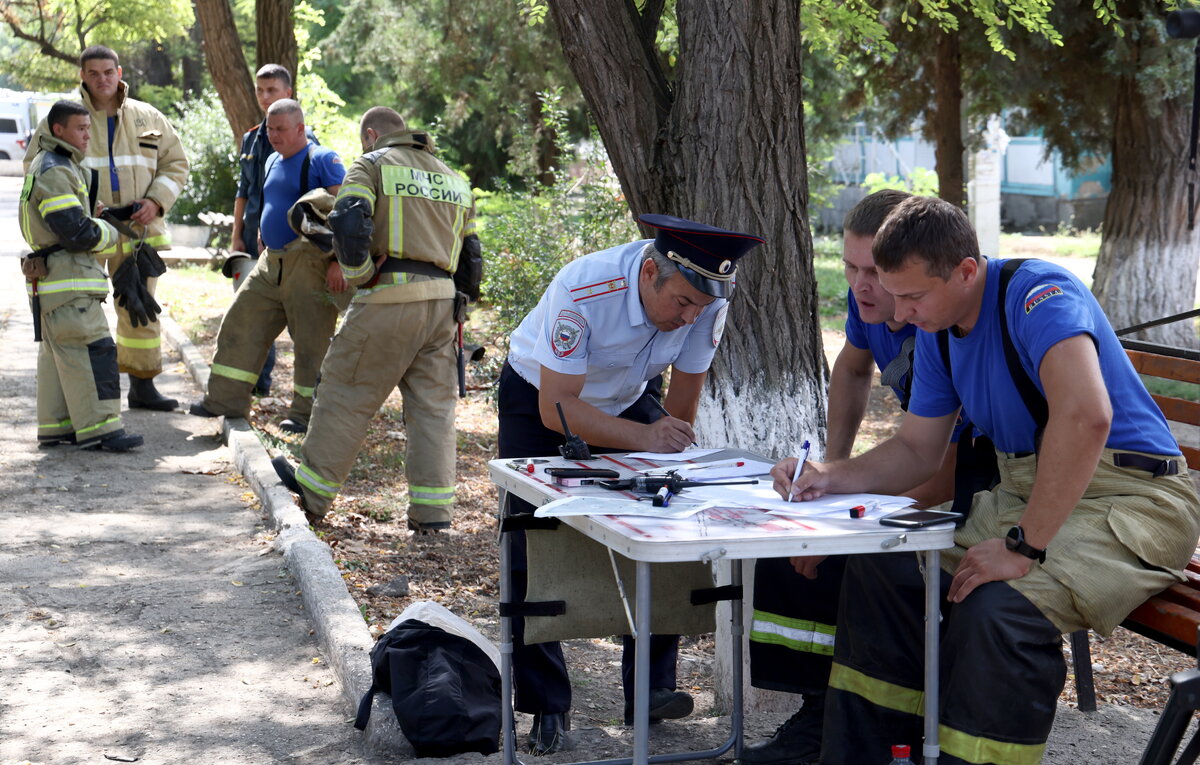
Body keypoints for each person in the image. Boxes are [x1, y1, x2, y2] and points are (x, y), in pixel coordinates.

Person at [775, 196, 1200, 764]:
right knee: (886, 568)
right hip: (1031, 493)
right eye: (894, 294)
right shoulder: (939, 327)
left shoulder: (1037, 292)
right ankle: (865, 754)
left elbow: (1085, 417)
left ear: (967, 271)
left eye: (913, 296)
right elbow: (916, 451)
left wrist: (1025, 544)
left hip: (1135, 501)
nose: (899, 314)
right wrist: (829, 477)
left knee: (999, 611)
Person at [497, 214, 764, 755]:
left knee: (664, 523)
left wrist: (666, 455)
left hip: (625, 401)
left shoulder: (707, 299)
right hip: (540, 401)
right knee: (532, 542)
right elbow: (558, 407)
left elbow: (682, 407)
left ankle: (651, 689)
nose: (692, 315)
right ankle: (547, 704)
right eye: (683, 303)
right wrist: (646, 434)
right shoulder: (584, 288)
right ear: (649, 273)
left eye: (700, 306)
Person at [743, 189, 964, 765]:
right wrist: (826, 474)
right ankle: (819, 708)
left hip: (975, 479)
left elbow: (946, 471)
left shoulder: (937, 316)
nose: (862, 285)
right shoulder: (873, 304)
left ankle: (875, 724)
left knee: (859, 554)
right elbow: (852, 365)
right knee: (786, 535)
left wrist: (843, 519)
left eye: (875, 272)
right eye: (851, 266)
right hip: (925, 465)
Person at [270, 106, 479, 531]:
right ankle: (433, 516)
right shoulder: (455, 180)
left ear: (371, 135)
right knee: (434, 411)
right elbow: (471, 258)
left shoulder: (372, 164)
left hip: (388, 298)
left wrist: (360, 275)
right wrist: (462, 306)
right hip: (442, 306)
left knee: (347, 390)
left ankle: (312, 490)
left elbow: (348, 219)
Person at [26, 45, 190, 411]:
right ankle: (84, 398)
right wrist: (78, 208)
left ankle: (142, 386)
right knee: (80, 312)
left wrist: (156, 201)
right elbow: (35, 167)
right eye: (94, 73)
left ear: (119, 72)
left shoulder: (148, 117)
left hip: (136, 233)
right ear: (82, 76)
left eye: (109, 72)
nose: (103, 79)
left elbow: (177, 163)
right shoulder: (64, 117)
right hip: (83, 235)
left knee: (139, 307)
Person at [187, 99, 345, 432]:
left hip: (309, 266)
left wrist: (338, 263)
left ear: (300, 128)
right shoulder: (272, 159)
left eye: (280, 129)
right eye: (269, 128)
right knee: (240, 322)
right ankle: (225, 399)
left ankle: (304, 416)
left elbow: (345, 216)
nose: (272, 135)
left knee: (310, 343)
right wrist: (261, 230)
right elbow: (269, 199)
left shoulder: (323, 159)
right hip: (270, 262)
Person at [19, 100, 142, 451]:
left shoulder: (53, 165)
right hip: (69, 284)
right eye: (80, 129)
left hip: (54, 286)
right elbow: (76, 234)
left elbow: (68, 221)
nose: (88, 136)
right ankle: (102, 430)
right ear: (58, 130)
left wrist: (116, 214)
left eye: (89, 128)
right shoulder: (57, 170)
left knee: (61, 357)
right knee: (93, 351)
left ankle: (58, 426)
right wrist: (112, 232)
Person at [229, 64, 320, 397]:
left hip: (294, 249)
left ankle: (312, 393)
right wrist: (236, 235)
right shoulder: (252, 137)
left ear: (288, 93)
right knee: (252, 312)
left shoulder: (304, 140)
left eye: (272, 90)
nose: (264, 97)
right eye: (259, 90)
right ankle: (256, 384)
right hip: (254, 241)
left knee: (302, 323)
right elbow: (244, 190)